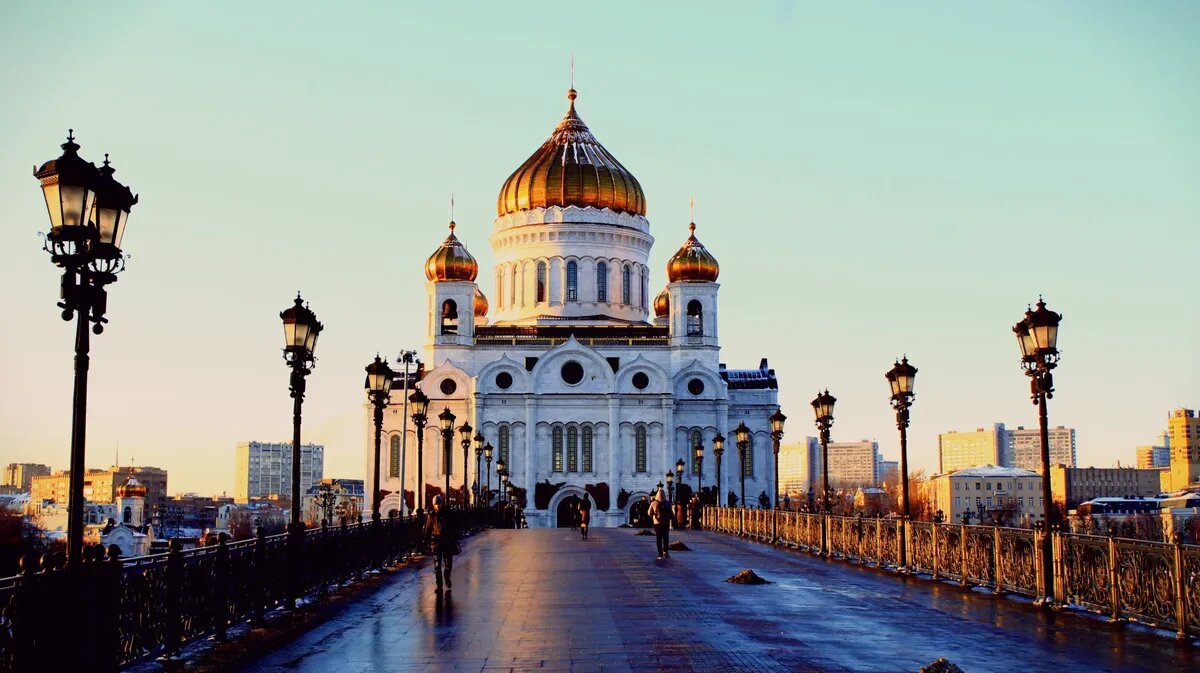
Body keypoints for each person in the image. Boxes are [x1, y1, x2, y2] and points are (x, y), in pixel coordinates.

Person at [424, 495, 458, 591]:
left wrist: (453, 536)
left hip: (447, 541)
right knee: (437, 565)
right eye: (436, 504)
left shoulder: (448, 513)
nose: (437, 506)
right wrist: (426, 541)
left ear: (442, 504)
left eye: (439, 503)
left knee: (448, 564)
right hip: (436, 542)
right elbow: (428, 529)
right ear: (433, 505)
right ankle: (439, 585)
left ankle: (447, 578)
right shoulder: (431, 515)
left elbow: (454, 526)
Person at [649, 489, 671, 560]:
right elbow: (671, 513)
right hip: (666, 522)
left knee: (658, 538)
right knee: (665, 537)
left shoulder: (653, 503)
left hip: (657, 523)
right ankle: (666, 551)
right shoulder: (668, 503)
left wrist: (653, 516)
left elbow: (649, 512)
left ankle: (659, 553)